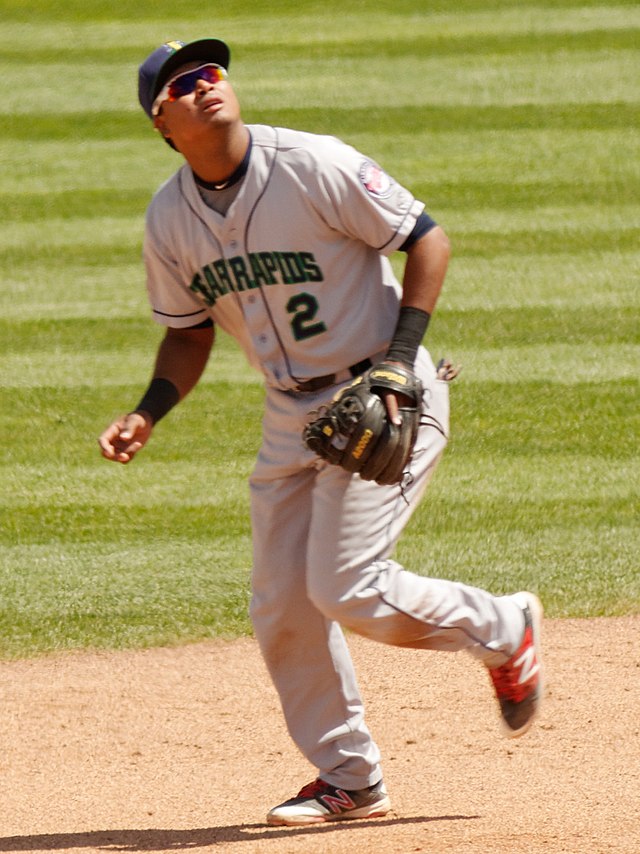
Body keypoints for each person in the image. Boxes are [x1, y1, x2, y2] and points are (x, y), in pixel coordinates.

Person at [99, 38, 544, 827]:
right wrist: (148, 410)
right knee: (281, 604)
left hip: (387, 391)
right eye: (184, 84)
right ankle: (351, 778)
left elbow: (426, 237)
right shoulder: (170, 217)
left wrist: (403, 364)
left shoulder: (312, 164)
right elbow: (188, 332)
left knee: (347, 588)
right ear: (162, 123)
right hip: (289, 417)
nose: (207, 86)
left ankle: (505, 628)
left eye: (213, 73)